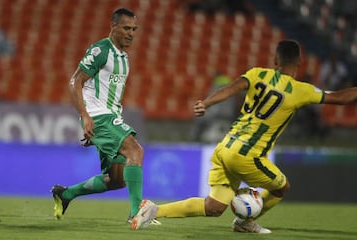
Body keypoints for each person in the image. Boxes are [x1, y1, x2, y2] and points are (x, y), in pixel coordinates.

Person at [130, 39, 357, 233]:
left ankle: (154, 209)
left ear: (275, 61)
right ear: (299, 62)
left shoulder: (257, 74)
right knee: (282, 187)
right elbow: (340, 97)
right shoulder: (301, 90)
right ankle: (245, 222)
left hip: (225, 147)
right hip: (247, 154)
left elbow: (232, 88)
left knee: (214, 207)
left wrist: (206, 103)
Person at [51, 8, 159, 225]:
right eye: (126, 28)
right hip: (99, 116)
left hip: (109, 117)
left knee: (117, 180)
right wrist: (86, 116)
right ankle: (136, 214)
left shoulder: (124, 58)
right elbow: (75, 82)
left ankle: (66, 194)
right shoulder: (101, 50)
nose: (131, 33)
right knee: (135, 151)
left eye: (134, 29)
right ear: (113, 26)